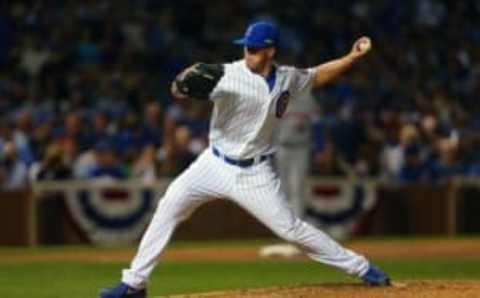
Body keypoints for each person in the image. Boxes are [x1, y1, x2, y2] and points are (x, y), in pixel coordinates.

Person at [100, 21, 390, 298]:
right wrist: (180, 82)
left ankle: (362, 267)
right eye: (246, 47)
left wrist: (351, 57)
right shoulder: (227, 75)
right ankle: (134, 283)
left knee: (290, 229)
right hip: (212, 164)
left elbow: (316, 75)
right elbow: (178, 89)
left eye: (253, 48)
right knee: (169, 205)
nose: (247, 52)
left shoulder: (288, 78)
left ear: (270, 51)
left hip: (255, 173)